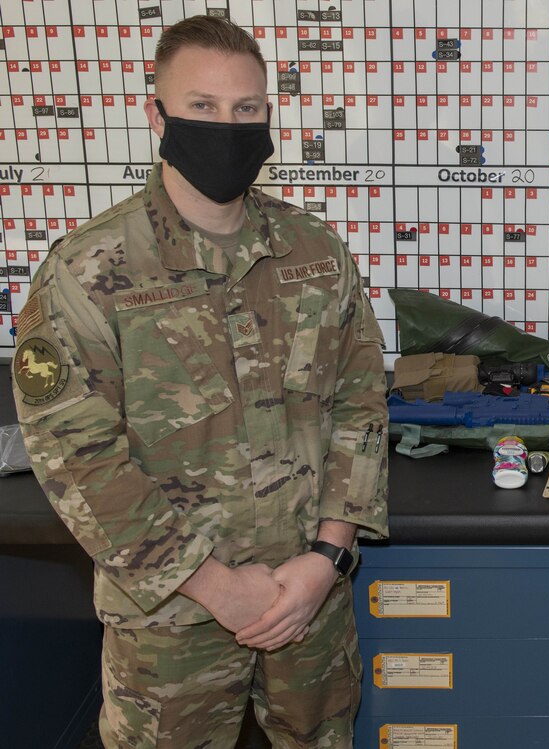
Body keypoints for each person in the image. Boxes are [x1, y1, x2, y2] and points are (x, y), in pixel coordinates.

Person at [11, 15, 388, 748]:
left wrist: (328, 557)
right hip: (171, 625)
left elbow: (361, 404)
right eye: (203, 107)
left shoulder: (313, 250)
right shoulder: (88, 270)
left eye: (246, 108)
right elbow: (79, 461)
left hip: (308, 604)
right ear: (158, 115)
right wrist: (216, 585)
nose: (227, 126)